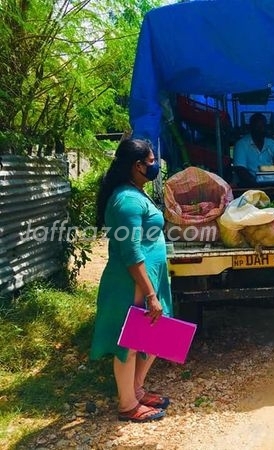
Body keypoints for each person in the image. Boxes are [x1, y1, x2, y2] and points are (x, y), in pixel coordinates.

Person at [90, 139, 173, 422]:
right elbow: (131, 252)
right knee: (131, 342)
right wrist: (150, 294)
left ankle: (136, 391)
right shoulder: (126, 200)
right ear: (137, 166)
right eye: (151, 162)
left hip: (147, 281)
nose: (155, 166)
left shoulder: (137, 193)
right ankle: (127, 404)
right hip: (132, 283)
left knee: (153, 335)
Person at [233, 112, 274, 186]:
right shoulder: (241, 144)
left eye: (263, 126)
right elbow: (240, 170)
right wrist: (258, 184)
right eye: (257, 127)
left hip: (270, 185)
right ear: (251, 128)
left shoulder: (271, 143)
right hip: (249, 188)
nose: (261, 129)